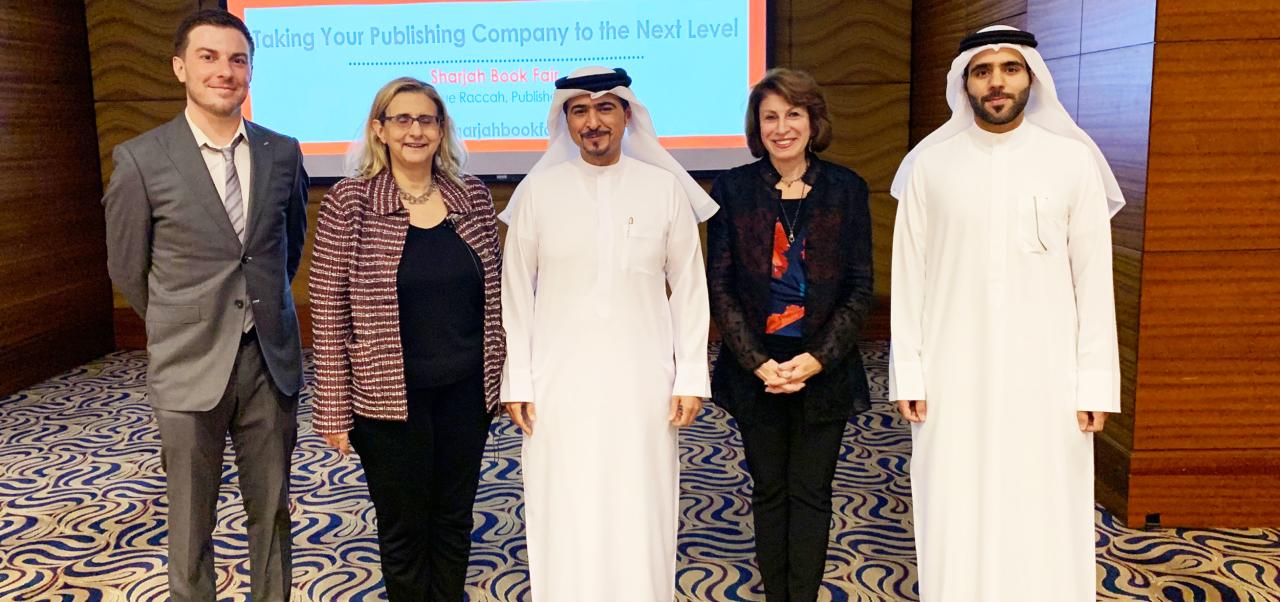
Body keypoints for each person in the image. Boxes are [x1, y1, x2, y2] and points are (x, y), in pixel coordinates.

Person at [889, 25, 1124, 601]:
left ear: (1032, 79)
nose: (996, 82)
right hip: (952, 371)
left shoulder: (1072, 162)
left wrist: (1096, 384)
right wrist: (910, 374)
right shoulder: (931, 166)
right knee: (955, 496)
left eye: (1010, 69)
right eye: (982, 70)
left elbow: (1095, 281)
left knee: (1043, 497)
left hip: (1049, 376)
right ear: (965, 82)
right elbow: (909, 277)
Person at [100, 9, 307, 602]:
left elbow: (284, 250)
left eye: (237, 59)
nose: (225, 71)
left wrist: (256, 310)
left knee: (272, 516)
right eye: (209, 57)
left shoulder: (283, 152)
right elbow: (127, 268)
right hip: (188, 365)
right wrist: (183, 319)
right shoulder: (140, 158)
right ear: (179, 67)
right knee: (191, 522)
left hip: (269, 362)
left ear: (250, 72)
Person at [499, 66, 718, 602]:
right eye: (579, 110)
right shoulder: (538, 192)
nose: (592, 122)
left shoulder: (663, 189)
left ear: (627, 115)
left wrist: (690, 375)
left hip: (643, 382)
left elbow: (691, 289)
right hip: (558, 383)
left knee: (640, 501)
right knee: (564, 500)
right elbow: (514, 293)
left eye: (604, 109)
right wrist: (519, 381)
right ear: (565, 121)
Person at [308, 76, 504, 601]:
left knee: (453, 518)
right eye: (402, 119)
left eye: (427, 120)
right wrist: (333, 409)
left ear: (442, 130)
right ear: (380, 129)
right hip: (388, 399)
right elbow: (327, 312)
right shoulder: (350, 201)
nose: (415, 130)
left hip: (466, 392)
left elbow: (497, 295)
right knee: (403, 526)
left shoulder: (473, 197)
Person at [706, 68, 874, 602]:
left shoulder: (846, 189)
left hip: (822, 368)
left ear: (812, 121)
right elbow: (722, 285)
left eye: (793, 114)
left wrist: (817, 359)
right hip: (755, 367)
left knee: (811, 492)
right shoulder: (732, 189)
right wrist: (757, 361)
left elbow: (859, 286)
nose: (782, 127)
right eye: (770, 116)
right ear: (757, 126)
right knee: (769, 489)